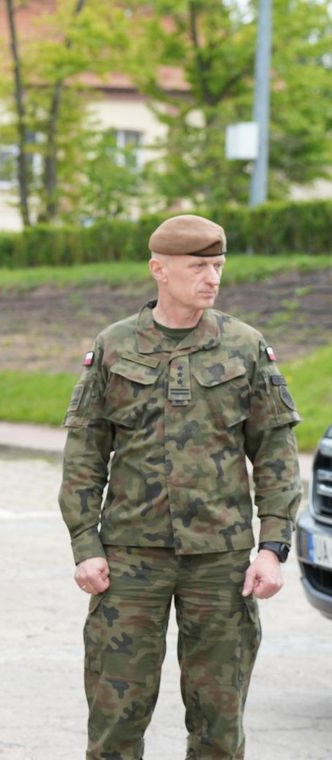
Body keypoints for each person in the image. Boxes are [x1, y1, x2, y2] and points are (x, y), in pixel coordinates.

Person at [59, 214, 303, 759]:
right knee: (116, 721)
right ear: (159, 270)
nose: (212, 277)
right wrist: (85, 544)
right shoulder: (116, 346)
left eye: (217, 266)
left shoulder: (244, 346)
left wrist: (272, 547)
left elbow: (276, 453)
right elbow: (84, 453)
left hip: (221, 560)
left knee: (219, 723)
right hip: (129, 560)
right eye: (198, 266)